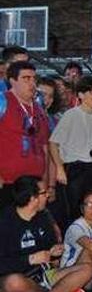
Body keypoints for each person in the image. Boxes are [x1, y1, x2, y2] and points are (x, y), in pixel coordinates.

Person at [0, 176, 92, 292]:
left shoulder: (43, 217)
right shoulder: (6, 221)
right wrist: (30, 259)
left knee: (87, 269)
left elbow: (51, 250)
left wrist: (55, 250)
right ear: (32, 198)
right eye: (44, 192)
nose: (48, 195)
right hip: (17, 278)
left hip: (43, 275)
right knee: (13, 283)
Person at [49, 76, 92, 225]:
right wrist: (59, 168)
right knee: (75, 211)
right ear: (81, 95)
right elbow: (53, 143)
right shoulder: (71, 115)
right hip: (76, 168)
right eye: (91, 92)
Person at [0, 61, 50, 207]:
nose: (32, 83)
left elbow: (44, 147)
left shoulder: (39, 108)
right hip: (8, 182)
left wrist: (45, 181)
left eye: (34, 79)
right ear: (12, 81)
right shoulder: (3, 101)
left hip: (34, 182)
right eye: (26, 78)